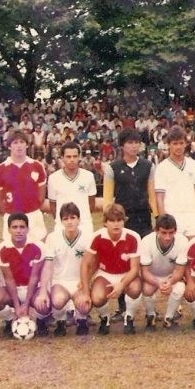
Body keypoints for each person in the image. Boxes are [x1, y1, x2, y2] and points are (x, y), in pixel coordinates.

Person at [102, 128, 156, 320]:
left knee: (145, 261)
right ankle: (122, 307)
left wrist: (157, 217)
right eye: (130, 142)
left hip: (143, 219)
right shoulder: (112, 168)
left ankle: (150, 309)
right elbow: (108, 197)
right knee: (123, 262)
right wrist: (108, 220)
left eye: (137, 142)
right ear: (122, 145)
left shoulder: (148, 166)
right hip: (121, 221)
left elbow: (151, 193)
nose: (134, 146)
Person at [77, 204, 142, 335]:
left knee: (135, 289)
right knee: (97, 297)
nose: (116, 224)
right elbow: (85, 264)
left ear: (124, 220)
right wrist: (85, 290)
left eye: (119, 220)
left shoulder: (133, 236)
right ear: (105, 222)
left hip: (126, 273)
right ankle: (104, 318)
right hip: (105, 274)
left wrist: (122, 285)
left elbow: (135, 268)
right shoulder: (96, 237)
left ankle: (129, 317)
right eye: (112, 221)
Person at [34, 202, 94, 336]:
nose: (70, 222)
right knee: (58, 300)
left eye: (73, 218)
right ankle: (60, 321)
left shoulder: (88, 237)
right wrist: (44, 290)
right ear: (61, 221)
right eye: (66, 219)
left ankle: (81, 320)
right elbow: (48, 266)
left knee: (84, 304)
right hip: (60, 281)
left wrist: (86, 284)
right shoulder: (53, 237)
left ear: (79, 219)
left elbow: (92, 264)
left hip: (79, 281)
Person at [0, 213, 45, 337]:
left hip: (33, 288)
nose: (18, 231)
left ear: (27, 229)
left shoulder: (38, 247)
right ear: (8, 229)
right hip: (13, 289)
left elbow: (34, 277)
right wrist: (17, 306)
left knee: (44, 304)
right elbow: (9, 279)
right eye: (14, 227)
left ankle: (41, 321)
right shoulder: (1, 249)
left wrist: (26, 304)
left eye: (22, 227)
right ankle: (11, 319)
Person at [139, 214, 192, 330]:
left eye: (171, 233)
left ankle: (169, 318)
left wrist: (170, 281)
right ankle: (150, 316)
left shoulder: (182, 241)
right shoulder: (146, 241)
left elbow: (179, 270)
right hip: (152, 276)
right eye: (163, 233)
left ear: (175, 231)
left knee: (179, 288)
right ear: (156, 230)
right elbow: (145, 272)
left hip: (170, 276)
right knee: (147, 289)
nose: (167, 237)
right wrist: (158, 283)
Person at [0, 130, 47, 242]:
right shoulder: (0, 169)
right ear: (9, 146)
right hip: (11, 217)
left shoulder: (37, 166)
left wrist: (33, 208)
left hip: (33, 215)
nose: (19, 146)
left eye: (22, 142)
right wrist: (9, 212)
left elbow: (41, 196)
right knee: (12, 253)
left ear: (27, 145)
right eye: (15, 143)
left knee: (38, 251)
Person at [154, 126, 195, 239]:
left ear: (186, 144)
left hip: (192, 216)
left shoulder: (194, 165)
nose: (178, 147)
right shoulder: (162, 168)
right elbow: (159, 198)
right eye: (175, 143)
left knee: (193, 253)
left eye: (181, 143)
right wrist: (164, 223)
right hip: (172, 216)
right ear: (169, 145)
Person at [47, 142, 97, 234]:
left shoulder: (89, 176)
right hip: (62, 227)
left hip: (84, 226)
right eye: (68, 157)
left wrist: (83, 218)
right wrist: (62, 220)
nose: (72, 159)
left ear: (79, 157)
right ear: (62, 158)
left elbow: (91, 203)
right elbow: (53, 205)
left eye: (75, 156)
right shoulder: (53, 178)